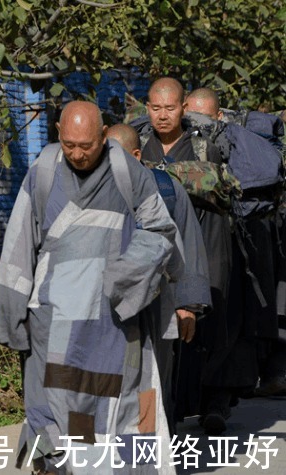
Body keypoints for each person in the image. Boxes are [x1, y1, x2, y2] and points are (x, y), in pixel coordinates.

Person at [0, 101, 180, 474]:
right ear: (59, 132)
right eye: (70, 145)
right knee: (56, 410)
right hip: (54, 326)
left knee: (121, 408)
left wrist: (124, 280)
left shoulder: (128, 172)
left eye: (87, 146)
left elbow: (161, 231)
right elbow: (17, 247)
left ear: (104, 134)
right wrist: (11, 318)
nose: (77, 154)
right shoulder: (43, 172)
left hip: (113, 324)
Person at [138, 78, 232, 435]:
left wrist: (159, 174)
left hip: (203, 241)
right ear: (148, 108)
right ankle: (166, 414)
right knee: (158, 333)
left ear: (183, 109)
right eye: (156, 108)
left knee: (203, 327)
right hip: (153, 250)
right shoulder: (139, 144)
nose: (163, 116)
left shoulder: (201, 144)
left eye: (170, 108)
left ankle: (211, 403)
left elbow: (216, 185)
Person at [107, 124, 212, 433]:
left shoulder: (165, 188)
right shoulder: (91, 188)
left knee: (152, 382)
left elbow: (188, 245)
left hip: (156, 304)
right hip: (105, 305)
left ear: (136, 156)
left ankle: (147, 452)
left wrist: (187, 304)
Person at [185, 89, 286, 399]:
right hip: (248, 233)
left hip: (230, 237)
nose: (196, 124)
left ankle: (219, 392)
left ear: (219, 116)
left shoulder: (228, 143)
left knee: (232, 312)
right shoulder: (249, 145)